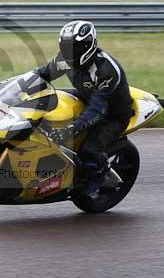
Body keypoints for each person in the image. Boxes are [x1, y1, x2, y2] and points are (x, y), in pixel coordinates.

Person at [34, 20, 134, 197]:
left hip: (112, 113)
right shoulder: (65, 60)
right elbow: (43, 74)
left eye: (75, 47)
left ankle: (96, 177)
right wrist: (18, 85)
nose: (69, 52)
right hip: (86, 97)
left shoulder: (106, 70)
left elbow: (98, 109)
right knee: (48, 107)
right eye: (66, 47)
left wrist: (71, 129)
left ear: (89, 45)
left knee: (89, 151)